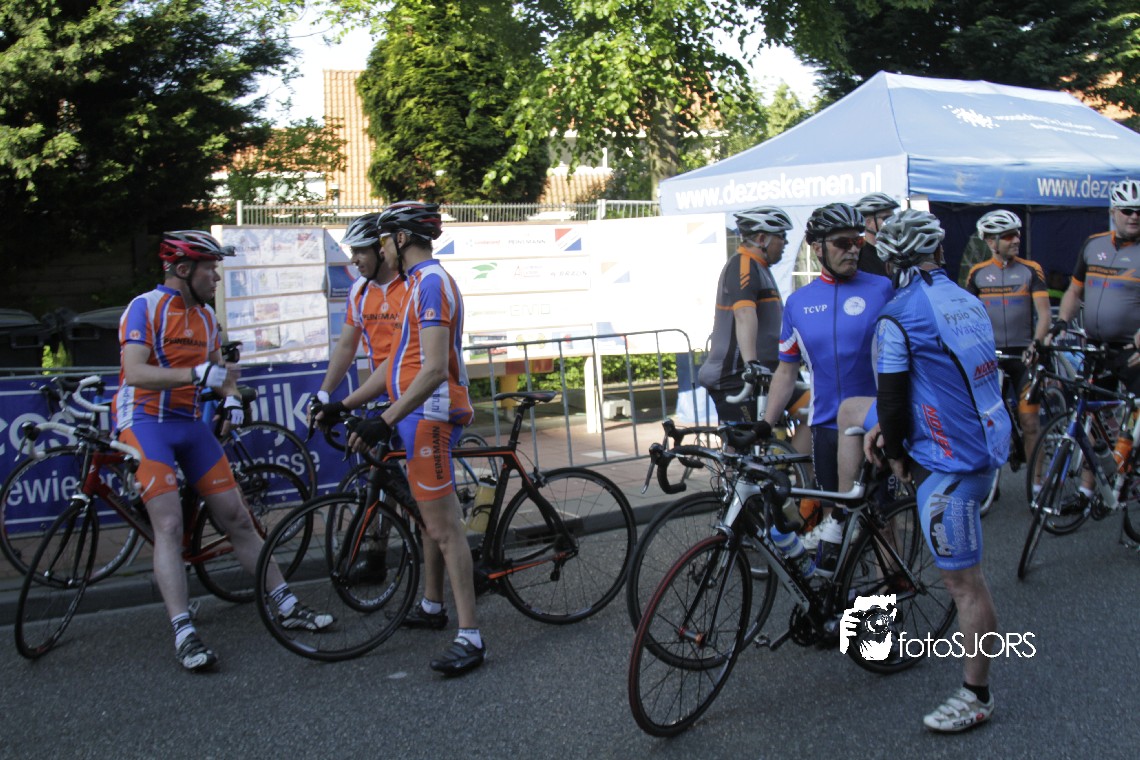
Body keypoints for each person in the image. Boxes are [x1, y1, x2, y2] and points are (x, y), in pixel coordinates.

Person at [115, 231, 332, 672]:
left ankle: (286, 604)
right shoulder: (144, 307)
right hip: (144, 422)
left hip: (189, 423)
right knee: (169, 524)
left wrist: (230, 397)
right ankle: (183, 631)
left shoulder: (206, 317)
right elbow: (134, 372)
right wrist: (194, 375)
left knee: (237, 517)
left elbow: (220, 372)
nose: (216, 278)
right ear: (182, 270)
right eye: (209, 270)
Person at [321, 202, 485, 677]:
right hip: (413, 415)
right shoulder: (416, 284)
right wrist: (343, 404)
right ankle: (432, 605)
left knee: (445, 528)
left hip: (430, 415)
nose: (379, 248)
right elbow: (394, 367)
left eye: (383, 239)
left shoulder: (431, 283)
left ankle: (471, 636)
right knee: (428, 521)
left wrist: (385, 418)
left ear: (400, 239)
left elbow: (433, 370)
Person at [863, 209, 1008, 733]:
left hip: (950, 465)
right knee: (970, 580)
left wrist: (895, 451)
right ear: (939, 254)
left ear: (891, 264)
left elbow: (893, 397)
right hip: (983, 447)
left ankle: (976, 695)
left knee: (963, 585)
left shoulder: (899, 314)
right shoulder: (966, 300)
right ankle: (979, 683)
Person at [762, 203, 893, 563]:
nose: (853, 249)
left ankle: (891, 594)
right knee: (835, 523)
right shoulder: (798, 303)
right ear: (817, 247)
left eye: (858, 241)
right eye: (843, 243)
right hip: (826, 430)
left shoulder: (882, 289)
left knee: (880, 524)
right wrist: (765, 425)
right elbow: (786, 371)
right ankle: (845, 591)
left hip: (872, 424)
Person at [697, 206, 809, 452]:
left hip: (770, 372)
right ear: (761, 238)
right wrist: (751, 364)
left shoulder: (761, 267)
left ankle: (800, 477)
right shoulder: (743, 265)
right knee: (744, 449)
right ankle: (735, 479)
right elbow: (744, 313)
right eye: (782, 237)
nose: (785, 243)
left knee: (813, 413)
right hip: (736, 375)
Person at [964, 210, 1050, 483]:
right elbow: (967, 318)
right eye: (1009, 236)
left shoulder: (1030, 269)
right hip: (990, 358)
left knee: (1030, 422)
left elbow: (1045, 314)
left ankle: (1037, 485)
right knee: (983, 423)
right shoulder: (978, 273)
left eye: (1018, 234)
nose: (1016, 240)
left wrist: (1037, 343)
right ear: (991, 242)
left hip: (1024, 356)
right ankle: (987, 482)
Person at [309, 212, 408, 419]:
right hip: (380, 391)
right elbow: (346, 346)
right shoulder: (358, 290)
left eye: (361, 251)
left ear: (381, 249)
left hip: (414, 390)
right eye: (353, 251)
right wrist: (323, 393)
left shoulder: (411, 285)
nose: (354, 260)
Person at [1053, 178, 1140, 395]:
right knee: (1090, 405)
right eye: (1127, 211)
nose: (1134, 216)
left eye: (1139, 212)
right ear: (1113, 212)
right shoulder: (1093, 244)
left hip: (1132, 348)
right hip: (1095, 348)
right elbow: (1074, 291)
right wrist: (1062, 321)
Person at [853, 192, 900, 277]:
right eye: (887, 218)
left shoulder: (897, 252)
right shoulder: (858, 257)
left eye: (894, 217)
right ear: (868, 223)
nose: (893, 222)